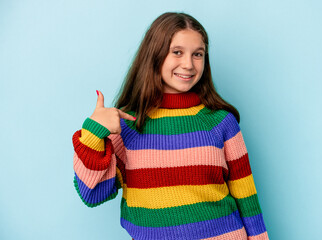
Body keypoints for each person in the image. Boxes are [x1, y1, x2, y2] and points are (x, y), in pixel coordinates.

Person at [72, 12, 269, 240]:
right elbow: (91, 194)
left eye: (198, 54)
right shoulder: (128, 126)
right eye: (177, 52)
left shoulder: (221, 122)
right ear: (155, 54)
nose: (188, 64)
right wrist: (93, 134)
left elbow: (247, 199)